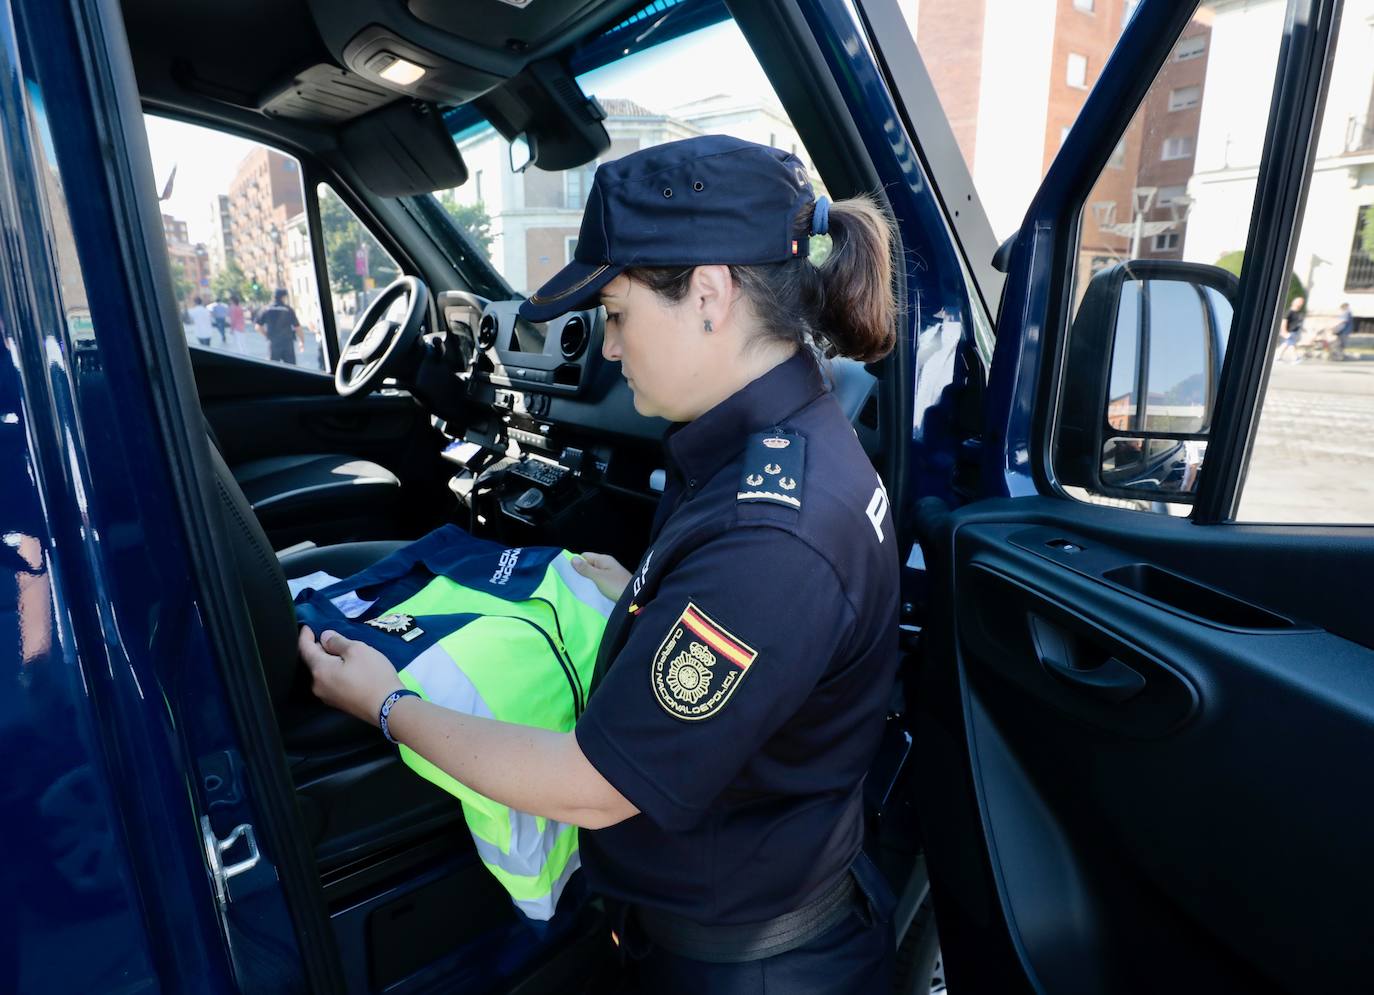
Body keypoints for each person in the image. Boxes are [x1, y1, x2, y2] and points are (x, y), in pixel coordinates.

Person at [298, 135, 901, 993]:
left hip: (746, 965)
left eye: (616, 315)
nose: (609, 349)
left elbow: (593, 786)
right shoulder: (765, 443)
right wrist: (644, 599)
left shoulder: (775, 537)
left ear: (708, 294)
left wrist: (386, 702)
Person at [255, 288, 302, 364]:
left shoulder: (266, 309)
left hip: (274, 343)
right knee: (291, 368)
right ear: (283, 297)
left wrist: (267, 335)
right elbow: (297, 328)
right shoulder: (288, 309)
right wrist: (302, 341)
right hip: (288, 344)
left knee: (273, 367)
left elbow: (257, 327)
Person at [1278, 295, 1306, 363]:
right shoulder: (1289, 311)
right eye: (1299, 301)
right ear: (1294, 302)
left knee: (1287, 344)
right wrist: (1284, 331)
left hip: (1294, 331)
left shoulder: (1298, 312)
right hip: (1289, 331)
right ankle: (1295, 358)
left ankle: (1277, 357)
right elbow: (1284, 321)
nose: (1301, 303)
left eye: (1302, 302)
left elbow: (1297, 323)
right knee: (1291, 344)